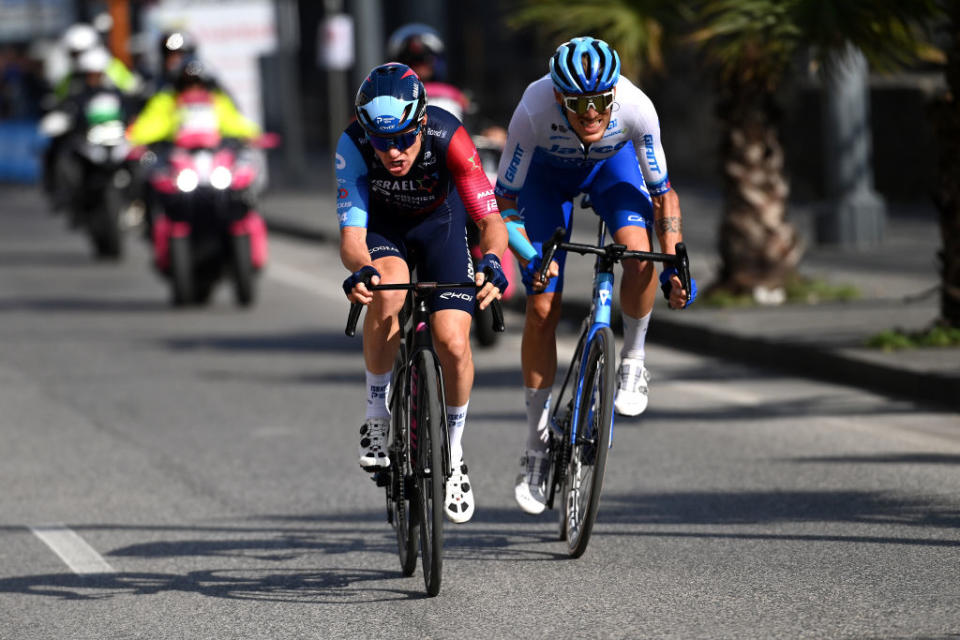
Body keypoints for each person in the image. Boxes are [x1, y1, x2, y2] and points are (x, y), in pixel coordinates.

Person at [494, 37, 697, 515]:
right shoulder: (531, 109)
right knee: (543, 306)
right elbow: (503, 202)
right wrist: (530, 256)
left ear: (613, 95)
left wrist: (675, 261)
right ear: (558, 97)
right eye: (578, 103)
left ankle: (633, 359)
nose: (590, 114)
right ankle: (536, 445)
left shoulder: (636, 108)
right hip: (546, 181)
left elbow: (663, 194)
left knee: (640, 254)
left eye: (599, 102)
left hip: (612, 169)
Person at [338, 62, 509, 524]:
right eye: (382, 140)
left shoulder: (448, 135)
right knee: (388, 294)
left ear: (421, 123)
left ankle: (453, 454)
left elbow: (490, 221)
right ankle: (377, 414)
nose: (393, 152)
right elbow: (353, 237)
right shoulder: (353, 144)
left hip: (442, 224)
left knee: (452, 339)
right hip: (385, 231)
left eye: (403, 139)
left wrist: (492, 260)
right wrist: (362, 270)